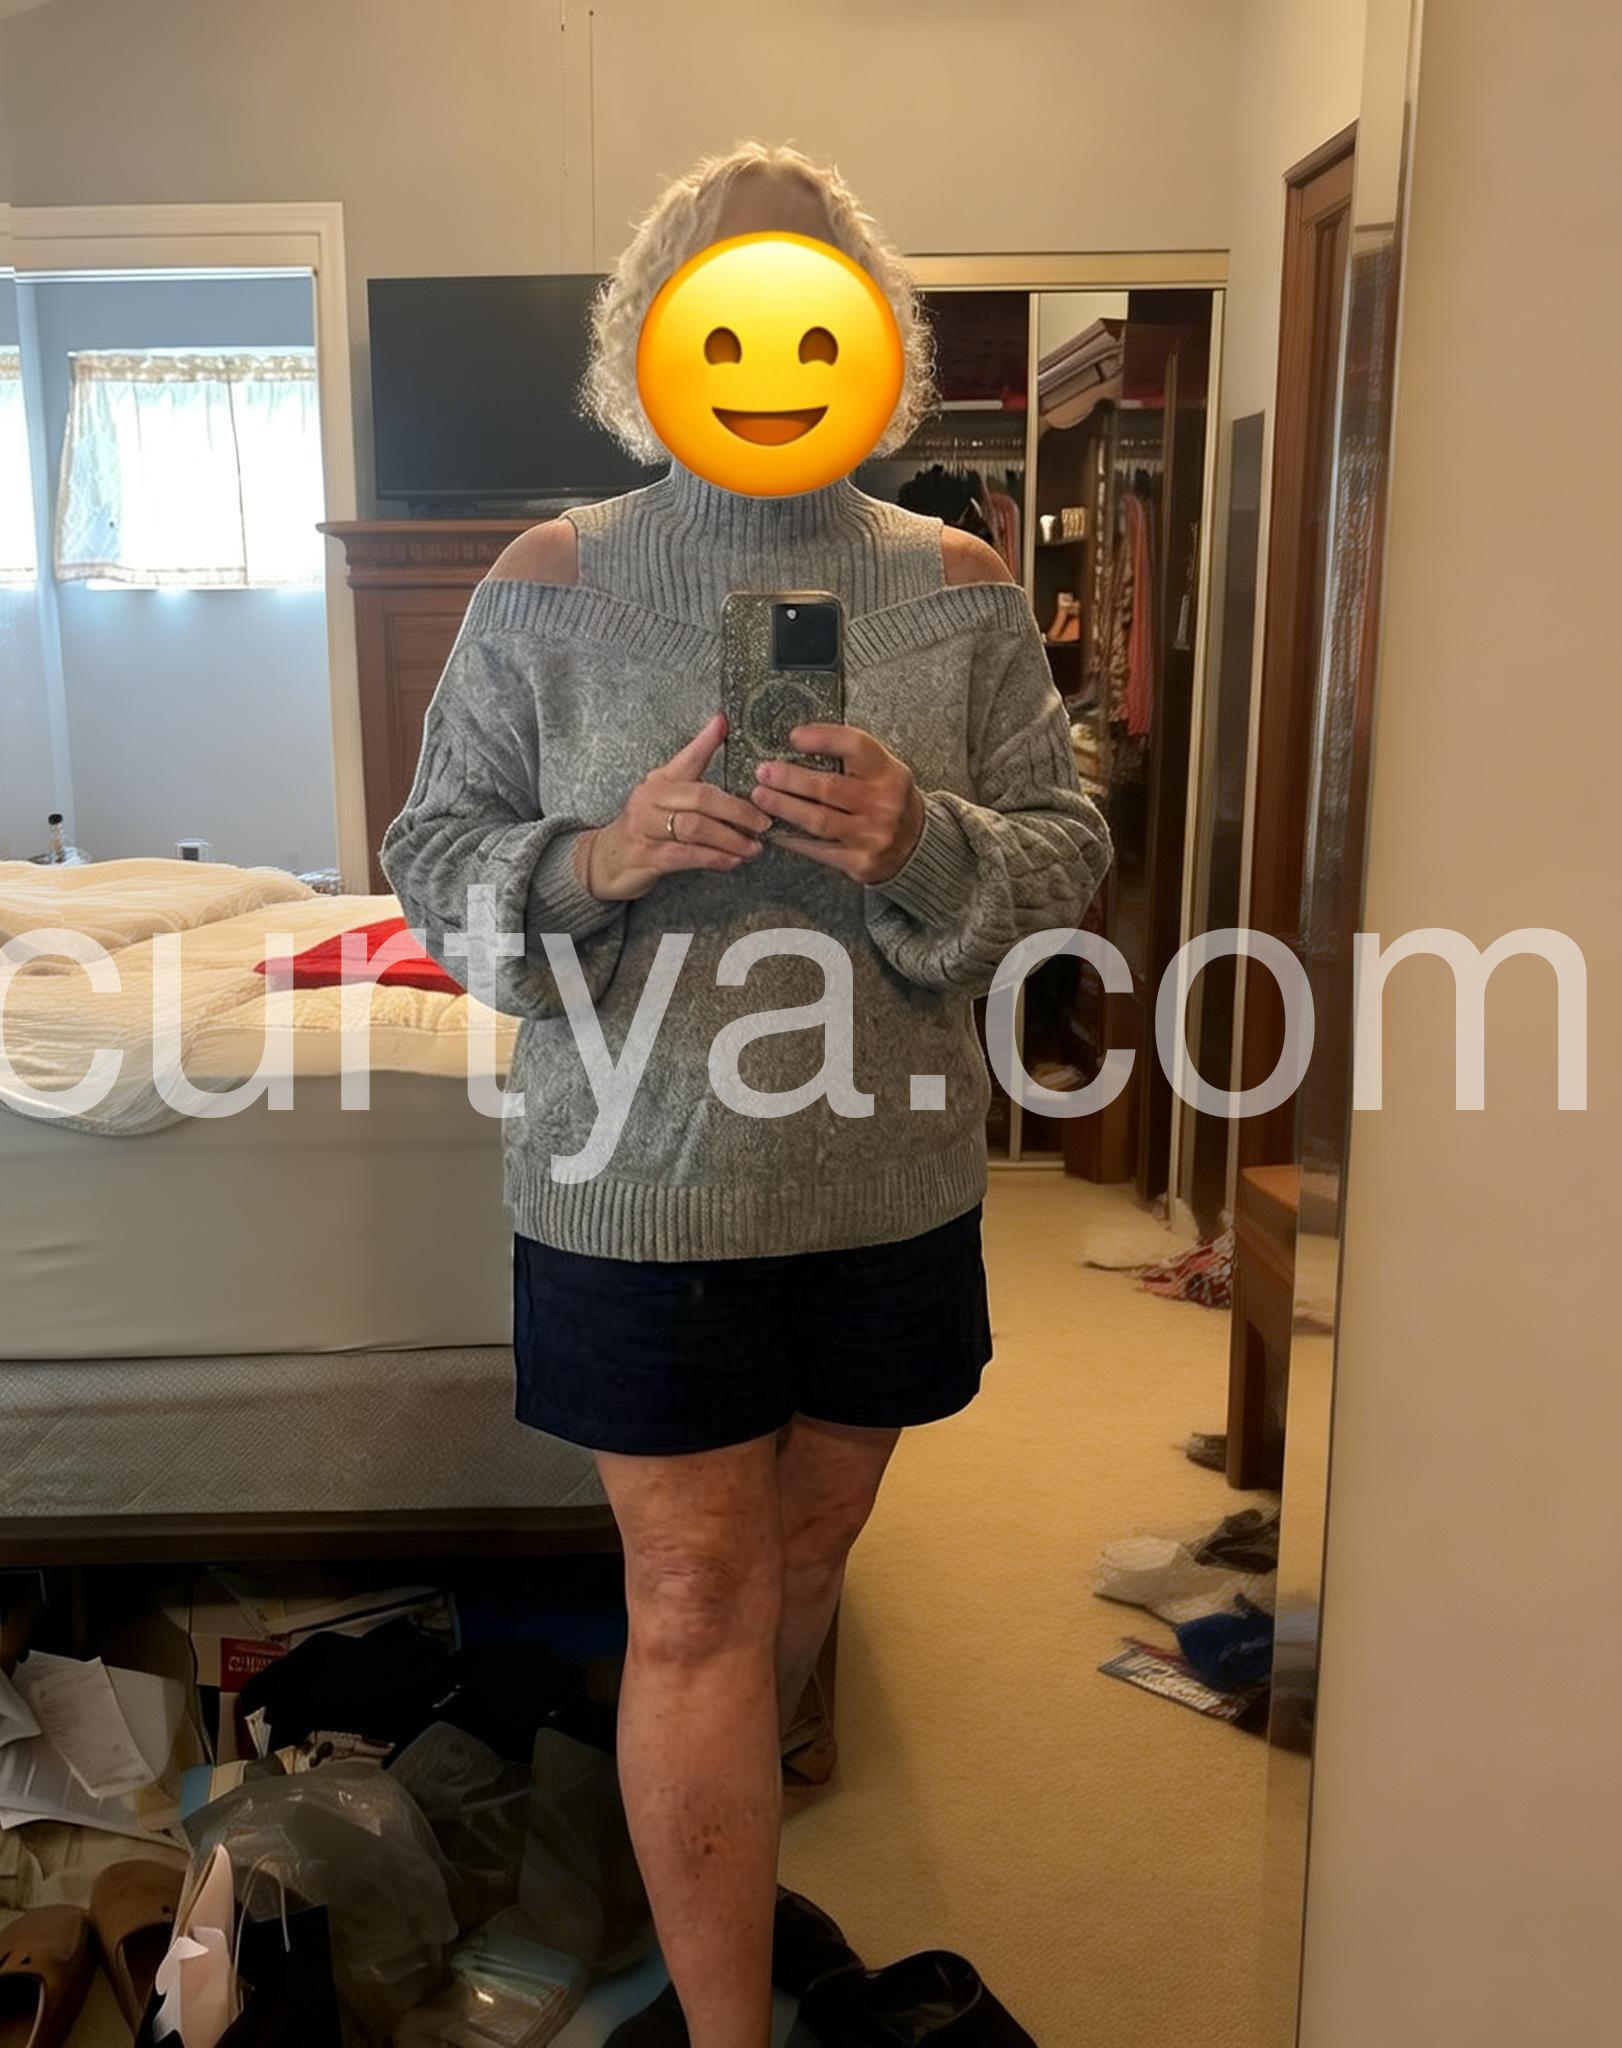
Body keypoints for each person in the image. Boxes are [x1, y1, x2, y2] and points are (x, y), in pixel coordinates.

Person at [381, 140, 1111, 2048]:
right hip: (639, 1187)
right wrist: (599, 856)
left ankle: (711, 1865)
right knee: (696, 1590)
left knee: (804, 1553)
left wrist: (923, 838)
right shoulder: (547, 584)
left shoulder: (960, 587)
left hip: (887, 1184)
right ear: (649, 343)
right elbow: (430, 859)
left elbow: (1067, 848)